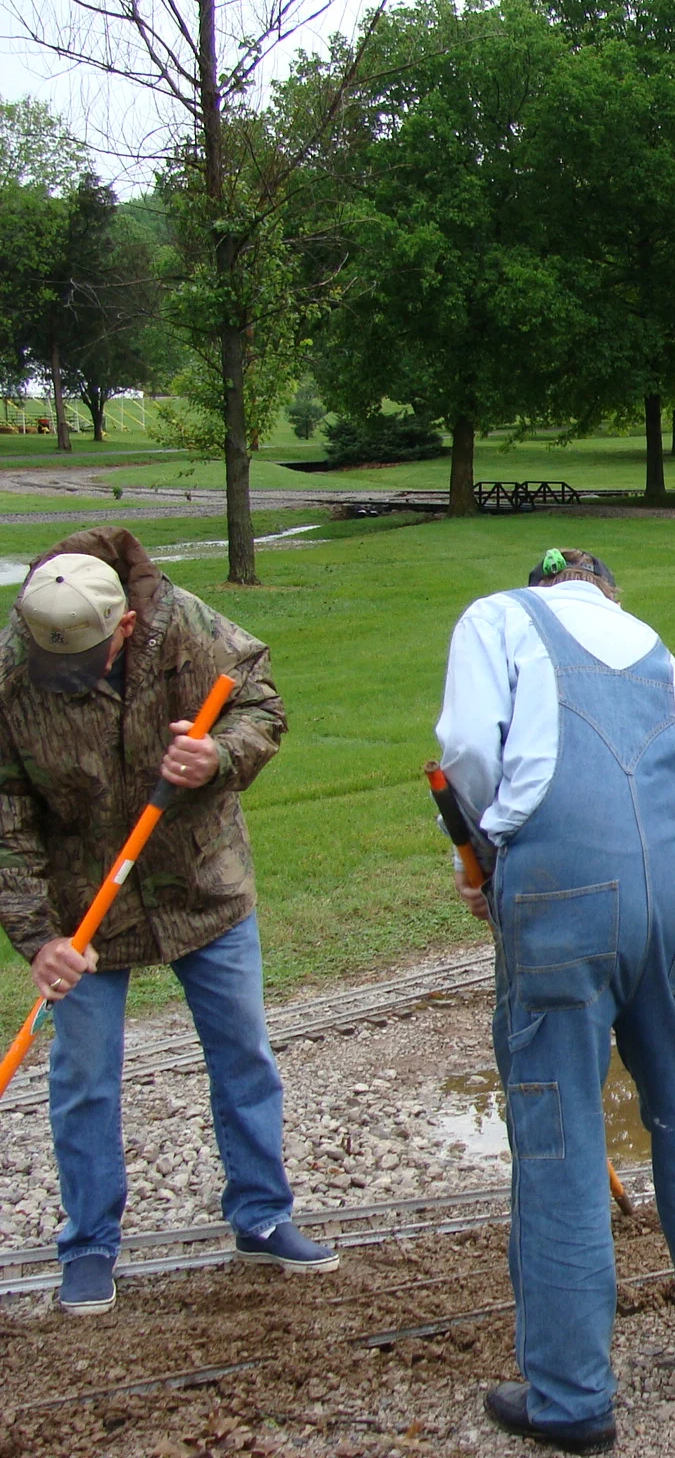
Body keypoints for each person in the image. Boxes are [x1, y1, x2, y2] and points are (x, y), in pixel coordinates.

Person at [438, 546, 675, 1454]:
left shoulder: (497, 616)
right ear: (602, 590)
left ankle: (570, 1396)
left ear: (542, 583)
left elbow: (470, 752)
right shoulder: (653, 645)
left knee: (558, 1133)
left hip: (561, 895)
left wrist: (483, 852)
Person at [0, 527, 333, 1318]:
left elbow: (259, 701)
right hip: (86, 909)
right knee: (83, 1078)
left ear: (121, 628)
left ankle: (261, 1214)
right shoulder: (16, 671)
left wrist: (216, 756)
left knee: (243, 1054)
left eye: (86, 662)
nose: (69, 678)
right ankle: (88, 1243)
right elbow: (4, 821)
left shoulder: (181, 624)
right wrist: (38, 939)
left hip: (201, 880)